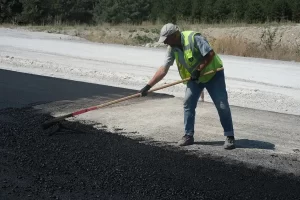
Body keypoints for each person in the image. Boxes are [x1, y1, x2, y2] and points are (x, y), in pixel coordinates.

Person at [139, 23, 235, 150]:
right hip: (195, 79)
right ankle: (188, 135)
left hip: (213, 75)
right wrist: (148, 86)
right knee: (188, 103)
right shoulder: (172, 48)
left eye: (167, 40)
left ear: (175, 35)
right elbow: (164, 69)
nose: (165, 43)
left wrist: (198, 69)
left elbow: (210, 54)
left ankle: (230, 136)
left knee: (221, 104)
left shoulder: (193, 38)